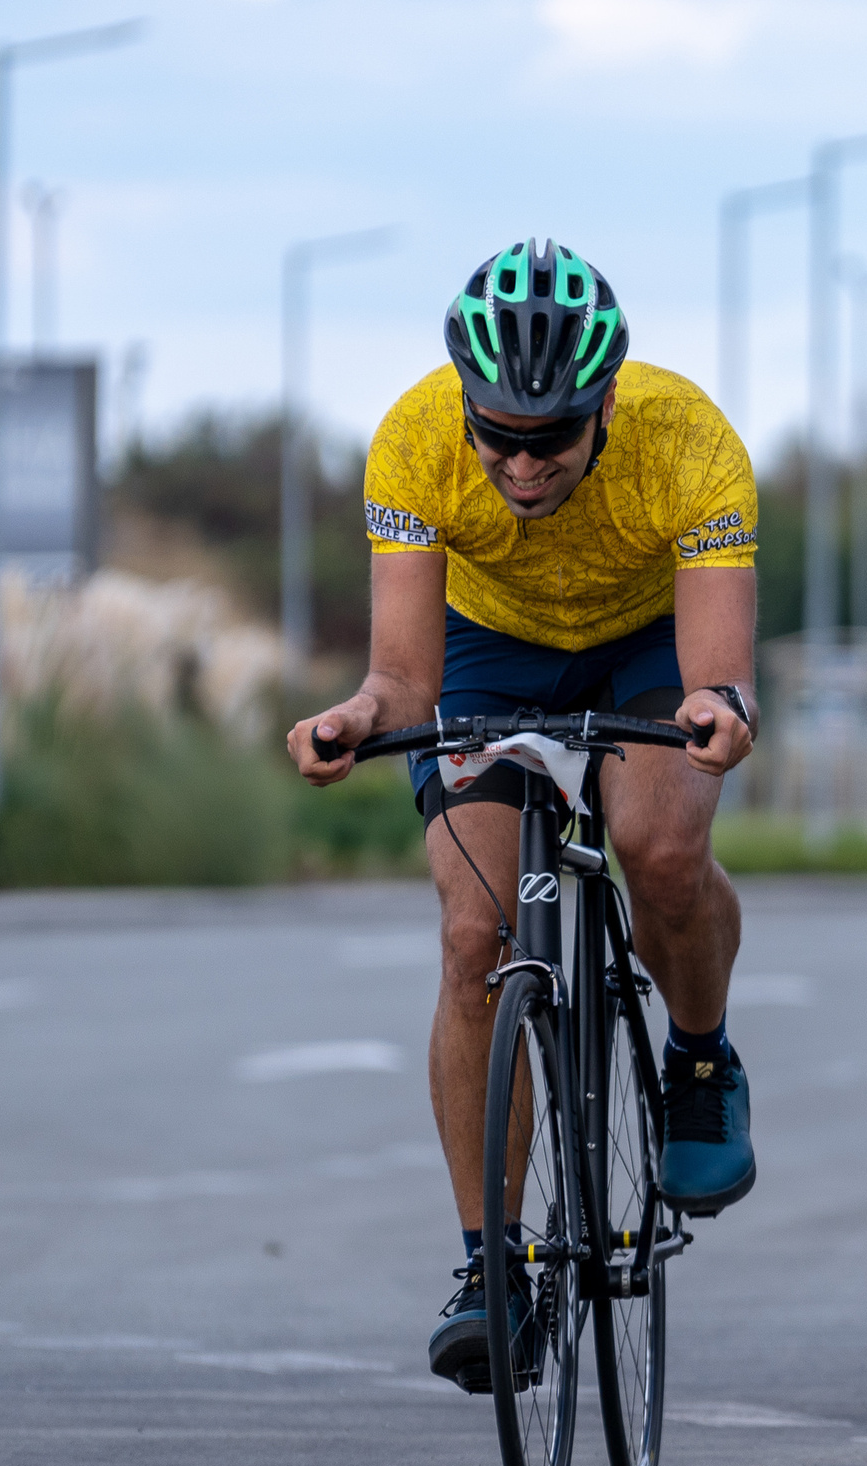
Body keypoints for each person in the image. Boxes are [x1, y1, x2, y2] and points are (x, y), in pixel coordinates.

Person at [289, 239, 759, 1392]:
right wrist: (359, 716)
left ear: (603, 407)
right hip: (487, 655)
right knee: (470, 936)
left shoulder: (688, 441)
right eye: (496, 433)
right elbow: (403, 675)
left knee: (655, 843)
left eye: (549, 438)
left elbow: (714, 672)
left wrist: (721, 710)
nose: (520, 460)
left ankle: (697, 1060)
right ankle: (489, 1267)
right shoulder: (412, 439)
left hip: (646, 642)